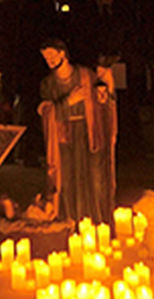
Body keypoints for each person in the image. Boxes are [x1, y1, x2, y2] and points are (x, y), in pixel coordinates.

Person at [38, 38, 117, 223]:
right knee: (68, 182)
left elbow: (102, 99)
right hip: (65, 139)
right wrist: (67, 103)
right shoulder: (48, 84)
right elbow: (46, 112)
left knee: (95, 182)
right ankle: (71, 223)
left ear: (62, 54)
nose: (48, 60)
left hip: (90, 133)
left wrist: (106, 92)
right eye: (45, 57)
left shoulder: (86, 75)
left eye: (51, 55)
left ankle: (98, 222)